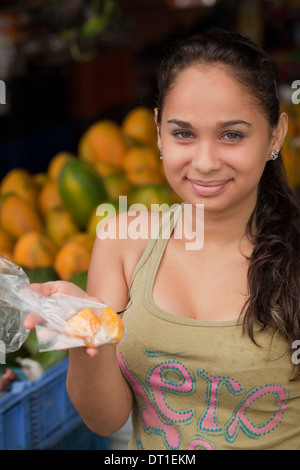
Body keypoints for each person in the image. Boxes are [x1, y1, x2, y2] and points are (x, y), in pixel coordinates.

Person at [25, 29, 300, 450]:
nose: (205, 162)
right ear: (157, 131)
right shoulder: (122, 239)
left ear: (276, 135)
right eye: (183, 133)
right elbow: (105, 419)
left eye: (232, 135)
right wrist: (82, 331)